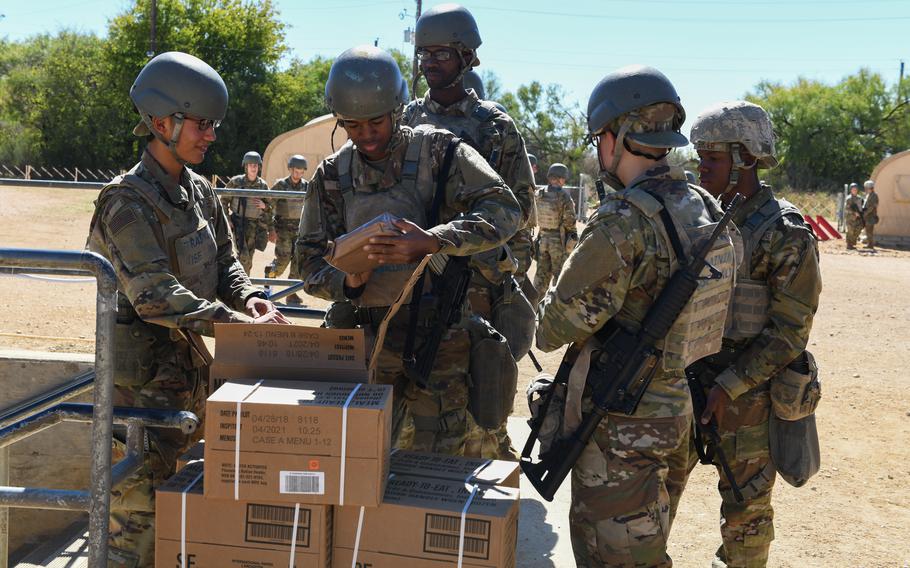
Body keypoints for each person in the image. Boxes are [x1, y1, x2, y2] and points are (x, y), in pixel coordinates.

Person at [87, 51, 289, 566]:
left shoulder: (200, 192)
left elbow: (227, 263)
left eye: (212, 125)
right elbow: (153, 294)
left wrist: (252, 300)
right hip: (143, 405)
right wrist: (235, 325)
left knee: (190, 529)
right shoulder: (125, 202)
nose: (211, 136)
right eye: (202, 125)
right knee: (138, 532)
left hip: (194, 389)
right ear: (161, 122)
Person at [536, 64, 736, 567]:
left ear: (617, 136)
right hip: (675, 417)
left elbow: (552, 329)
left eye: (600, 136)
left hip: (620, 431)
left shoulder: (623, 221)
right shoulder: (703, 206)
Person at [296, 45, 520, 456]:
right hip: (365, 345)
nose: (366, 135)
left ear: (397, 108)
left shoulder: (442, 152)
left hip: (441, 340)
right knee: (366, 463)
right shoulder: (331, 175)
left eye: (376, 122)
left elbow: (505, 210)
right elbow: (308, 261)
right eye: (353, 125)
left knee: (443, 461)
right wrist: (348, 279)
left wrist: (435, 239)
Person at [690, 100, 822, 568]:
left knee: (746, 516)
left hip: (747, 396)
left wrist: (730, 384)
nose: (700, 166)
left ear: (745, 159)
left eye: (714, 157)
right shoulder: (697, 218)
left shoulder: (785, 233)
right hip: (684, 383)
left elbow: (790, 332)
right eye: (699, 155)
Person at [403, 3, 537, 458]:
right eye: (423, 54)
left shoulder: (494, 127)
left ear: (466, 56)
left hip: (475, 285)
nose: (428, 64)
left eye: (439, 54)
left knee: (480, 403)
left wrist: (498, 273)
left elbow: (519, 212)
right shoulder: (404, 121)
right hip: (412, 281)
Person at [222, 151, 274, 272]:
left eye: (256, 165)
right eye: (250, 165)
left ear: (259, 167)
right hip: (237, 223)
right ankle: (241, 283)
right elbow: (223, 201)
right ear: (246, 166)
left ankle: (244, 283)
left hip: (254, 226)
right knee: (243, 257)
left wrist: (264, 206)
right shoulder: (236, 182)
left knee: (248, 258)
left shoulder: (263, 185)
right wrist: (227, 219)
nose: (253, 167)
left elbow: (271, 209)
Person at [267, 154, 308, 303]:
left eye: (301, 171)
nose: (298, 174)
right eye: (296, 170)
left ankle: (291, 293)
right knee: (283, 260)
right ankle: (268, 279)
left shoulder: (306, 186)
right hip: (283, 229)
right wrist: (270, 229)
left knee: (298, 262)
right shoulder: (281, 185)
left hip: (300, 230)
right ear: (290, 169)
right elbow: (268, 205)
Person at [532, 162, 577, 293]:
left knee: (541, 278)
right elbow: (570, 222)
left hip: (542, 241)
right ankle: (553, 309)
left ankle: (534, 308)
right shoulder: (564, 197)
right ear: (560, 178)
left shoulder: (539, 194)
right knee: (559, 278)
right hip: (559, 242)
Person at [844, 182, 864, 250]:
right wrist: (854, 213)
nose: (855, 190)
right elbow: (846, 209)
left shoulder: (859, 198)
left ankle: (853, 243)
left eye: (856, 189)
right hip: (850, 218)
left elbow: (861, 207)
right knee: (850, 231)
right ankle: (849, 244)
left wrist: (860, 213)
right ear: (851, 190)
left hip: (858, 218)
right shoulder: (848, 199)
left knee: (858, 230)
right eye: (853, 189)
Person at [862, 179, 879, 249]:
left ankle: (870, 245)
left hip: (871, 216)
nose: (865, 189)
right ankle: (869, 244)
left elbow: (872, 207)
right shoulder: (869, 195)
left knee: (869, 231)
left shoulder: (874, 195)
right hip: (868, 216)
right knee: (868, 230)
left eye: (866, 187)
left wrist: (865, 213)